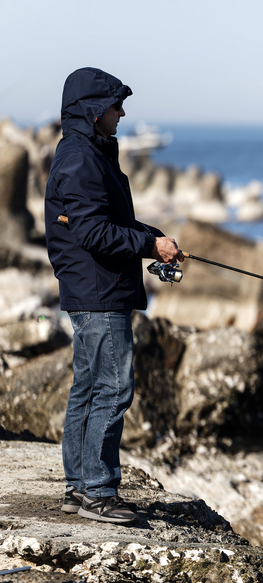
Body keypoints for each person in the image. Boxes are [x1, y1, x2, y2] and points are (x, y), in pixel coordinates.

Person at [44, 67, 183, 525]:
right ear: (93, 109)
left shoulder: (85, 152)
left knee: (88, 389)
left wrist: (154, 237)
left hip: (92, 289)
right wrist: (148, 246)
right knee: (113, 388)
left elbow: (109, 222)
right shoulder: (81, 159)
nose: (121, 112)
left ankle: (78, 488)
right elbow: (95, 233)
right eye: (115, 105)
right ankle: (98, 493)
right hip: (98, 292)